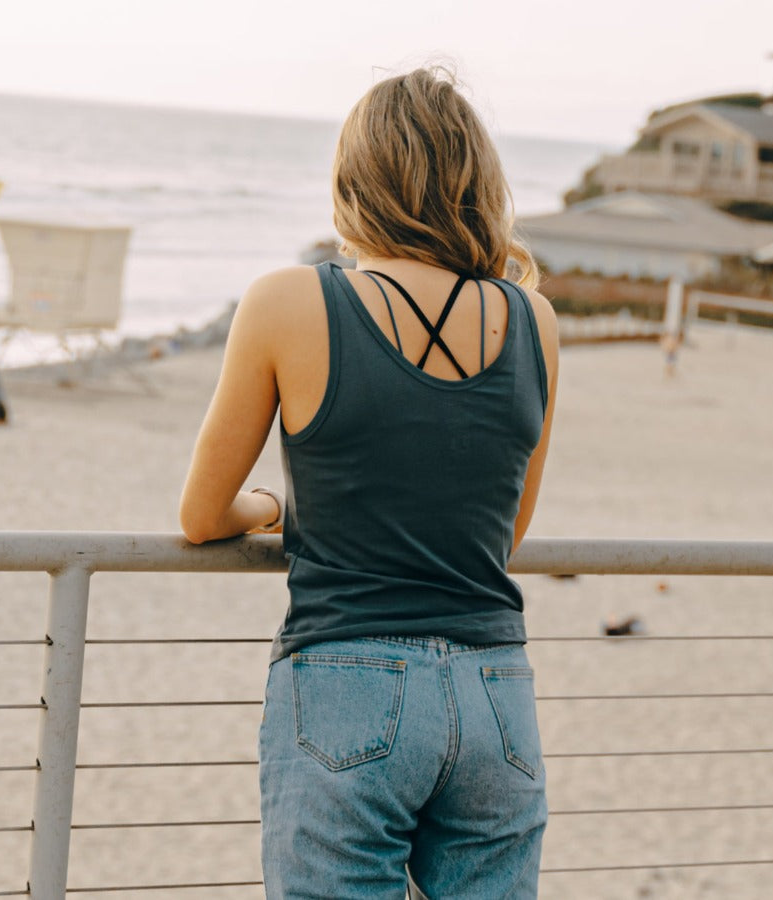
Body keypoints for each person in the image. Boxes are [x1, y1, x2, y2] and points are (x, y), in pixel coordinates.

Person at [180, 67, 559, 899]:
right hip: (496, 689)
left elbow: (204, 513)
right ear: (476, 182)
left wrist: (279, 507)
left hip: (347, 679)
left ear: (354, 181)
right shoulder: (532, 320)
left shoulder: (288, 300)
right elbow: (506, 532)